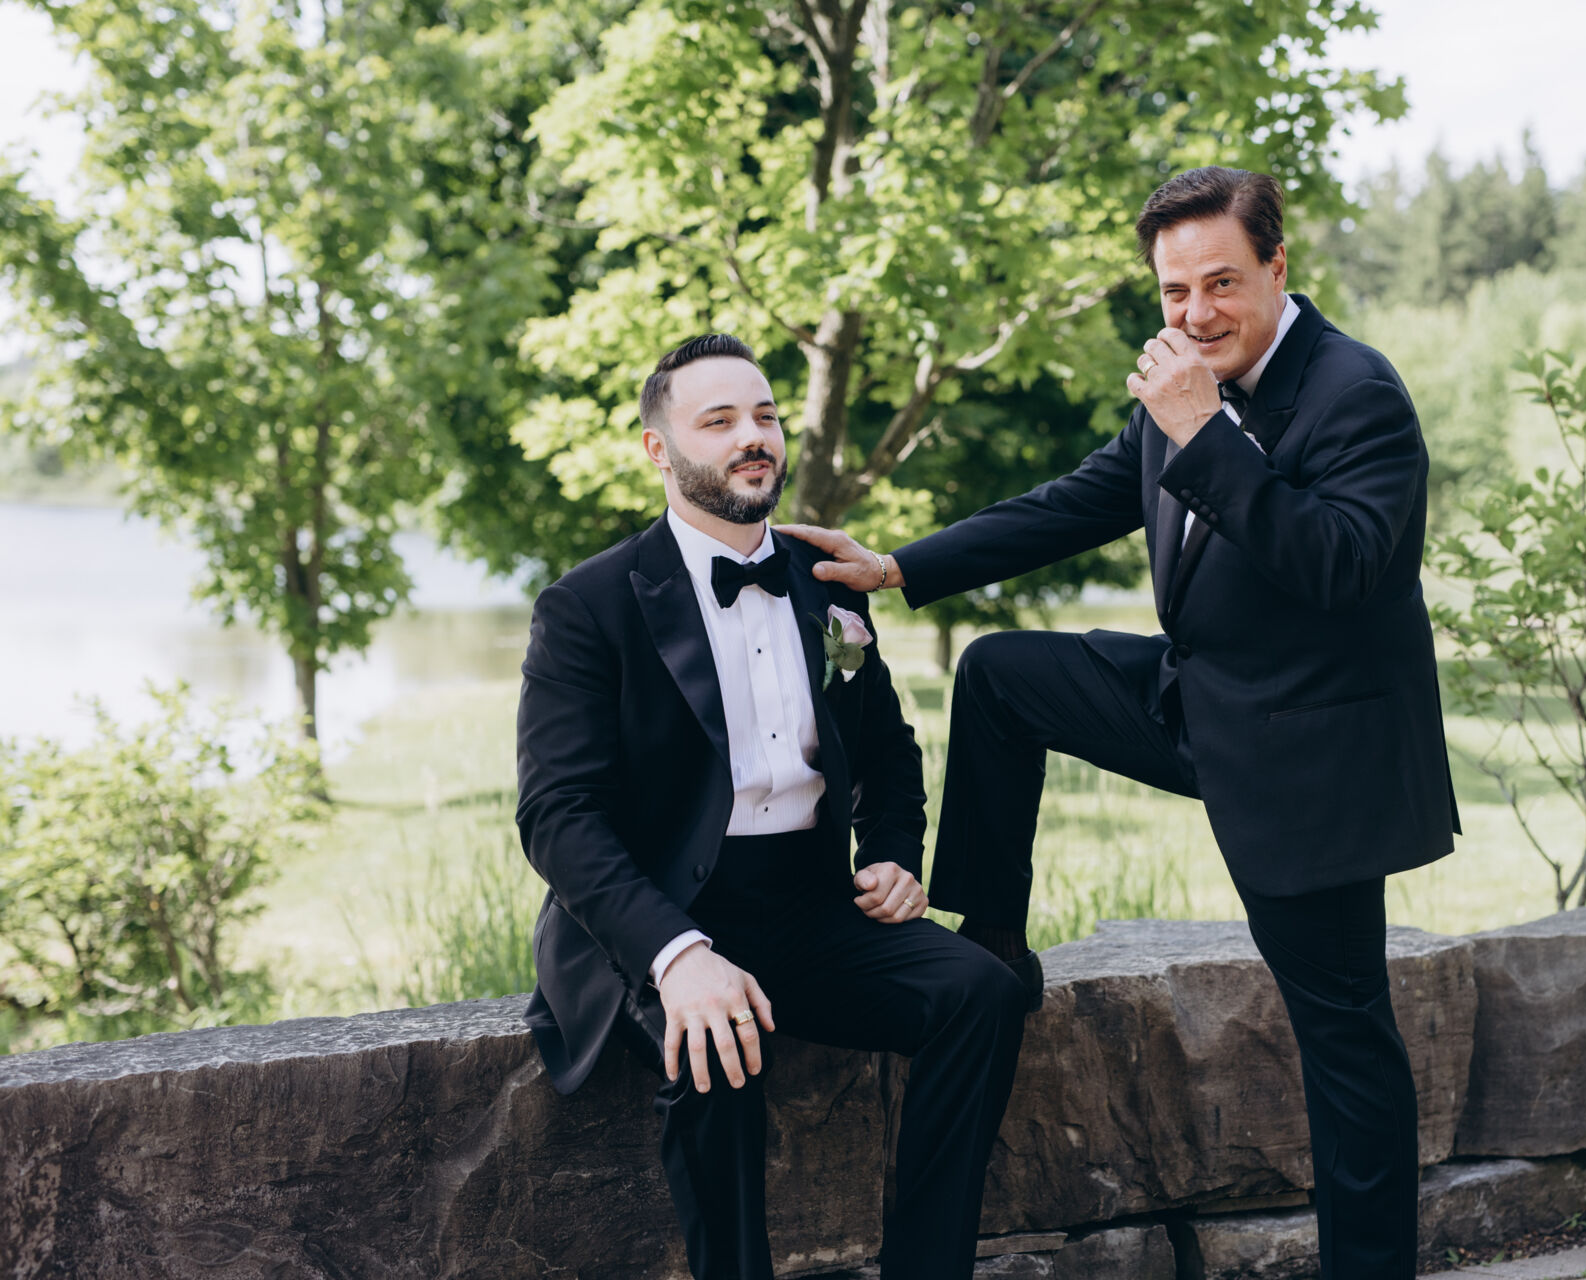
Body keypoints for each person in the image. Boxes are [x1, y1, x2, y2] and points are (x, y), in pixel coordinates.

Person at [781, 166, 1460, 1279]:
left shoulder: (1356, 392)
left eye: (1221, 283)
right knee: (1000, 675)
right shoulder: (1182, 385)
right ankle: (996, 946)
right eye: (1174, 290)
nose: (1196, 313)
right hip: (1199, 698)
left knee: (1345, 1043)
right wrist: (900, 566)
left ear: (1278, 267)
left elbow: (1340, 567)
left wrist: (1204, 434)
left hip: (1310, 760)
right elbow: (1080, 499)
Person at [514, 333, 1030, 1280]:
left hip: (807, 906)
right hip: (654, 914)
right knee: (717, 1048)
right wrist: (678, 957)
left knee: (983, 993)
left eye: (764, 416)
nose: (752, 438)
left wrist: (892, 852)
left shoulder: (824, 581)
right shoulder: (587, 605)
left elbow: (887, 753)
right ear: (660, 450)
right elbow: (558, 815)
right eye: (718, 422)